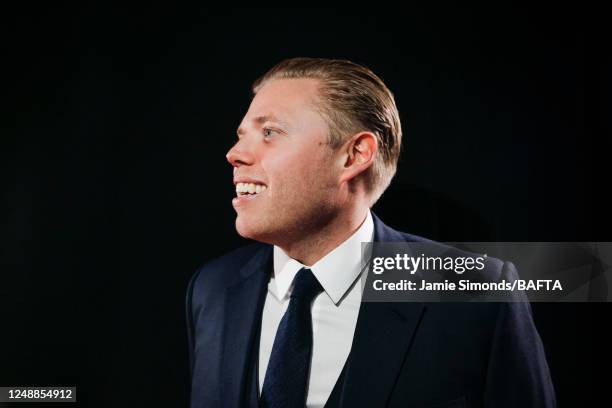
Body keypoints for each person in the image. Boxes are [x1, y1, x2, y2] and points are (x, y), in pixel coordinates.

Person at [186, 57, 556, 408]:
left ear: (354, 155)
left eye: (269, 132)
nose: (234, 153)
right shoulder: (212, 288)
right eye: (241, 135)